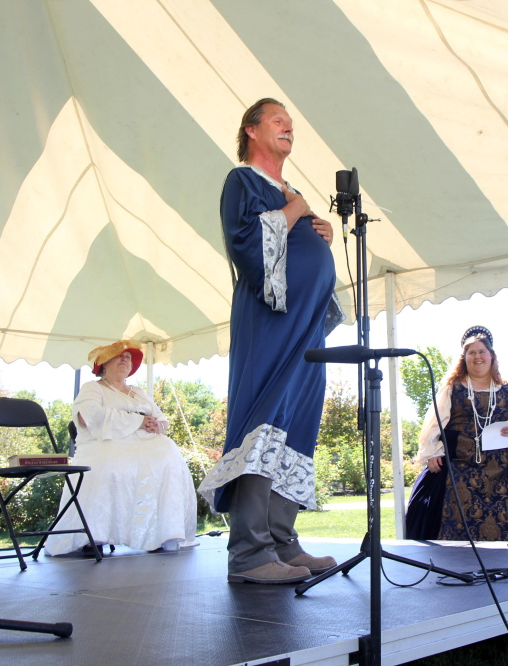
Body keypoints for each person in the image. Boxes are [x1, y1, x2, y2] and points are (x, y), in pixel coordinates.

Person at [197, 98, 343, 585]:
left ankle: (282, 539)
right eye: (278, 120)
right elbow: (246, 242)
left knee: (297, 421)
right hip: (269, 321)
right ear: (252, 130)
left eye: (292, 123)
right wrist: (297, 210)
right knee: (263, 416)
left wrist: (316, 233)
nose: (288, 128)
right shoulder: (242, 181)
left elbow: (291, 244)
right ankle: (249, 553)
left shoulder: (288, 191)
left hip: (305, 326)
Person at [45, 340, 198, 556]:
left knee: (170, 463)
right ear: (104, 364)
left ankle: (160, 533)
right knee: (111, 466)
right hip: (104, 445)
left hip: (149, 445)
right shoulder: (93, 388)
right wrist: (137, 420)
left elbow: (161, 418)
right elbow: (89, 416)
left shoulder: (137, 392)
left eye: (128, 357)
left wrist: (157, 425)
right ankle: (93, 536)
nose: (125, 359)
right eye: (119, 355)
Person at [405, 326, 508, 541]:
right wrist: (432, 452)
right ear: (464, 358)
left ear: (491, 355)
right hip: (459, 467)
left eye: (482, 351)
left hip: (505, 470)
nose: (477, 356)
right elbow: (435, 423)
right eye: (471, 353)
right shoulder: (453, 388)